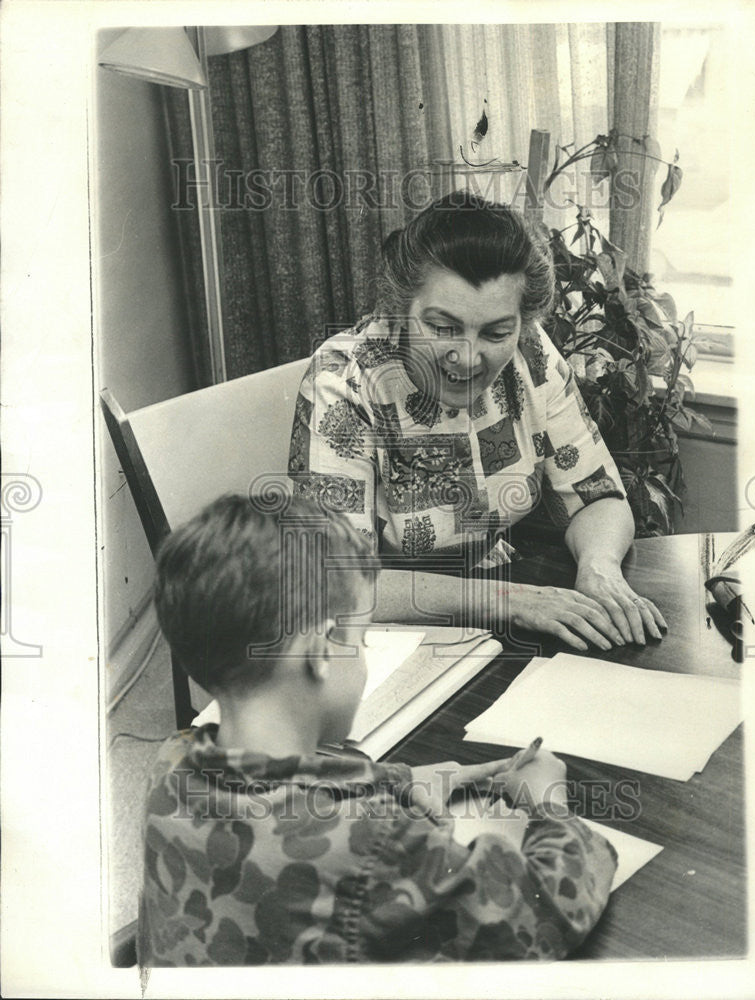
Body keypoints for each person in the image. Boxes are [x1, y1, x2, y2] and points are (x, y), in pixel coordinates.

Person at [137, 494, 617, 965]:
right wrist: (548, 803)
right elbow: (543, 915)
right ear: (323, 650)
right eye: (362, 638)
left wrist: (399, 782)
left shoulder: (168, 769)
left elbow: (281, 781)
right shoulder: (376, 842)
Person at [289, 191, 666, 652]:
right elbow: (334, 585)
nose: (467, 357)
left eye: (495, 333)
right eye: (443, 327)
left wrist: (599, 568)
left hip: (483, 611)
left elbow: (595, 495)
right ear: (398, 307)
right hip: (373, 639)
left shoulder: (531, 350)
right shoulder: (342, 380)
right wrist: (508, 600)